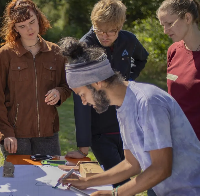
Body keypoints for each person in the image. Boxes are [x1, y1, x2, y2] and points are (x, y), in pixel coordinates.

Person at [59, 37, 200, 196]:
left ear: (97, 83)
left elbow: (161, 168)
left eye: (82, 94)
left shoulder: (148, 102)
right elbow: (131, 164)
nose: (83, 102)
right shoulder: (123, 105)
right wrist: (87, 182)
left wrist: (114, 194)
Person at [66, 0, 149, 188]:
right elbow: (81, 101)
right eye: (99, 30)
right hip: (99, 127)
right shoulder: (83, 48)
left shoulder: (129, 40)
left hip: (124, 122)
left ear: (120, 27)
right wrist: (83, 145)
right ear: (93, 24)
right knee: (121, 181)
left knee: (130, 171)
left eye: (111, 32)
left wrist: (130, 78)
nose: (104, 36)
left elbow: (141, 59)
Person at [0, 0, 71, 155]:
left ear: (38, 19)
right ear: (15, 28)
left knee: (53, 179)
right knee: (16, 178)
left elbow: (67, 86)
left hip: (48, 134)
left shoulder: (56, 52)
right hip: (16, 136)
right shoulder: (5, 54)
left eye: (32, 22)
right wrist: (6, 133)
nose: (29, 29)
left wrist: (59, 92)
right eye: (22, 26)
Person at [157, 0, 200, 140]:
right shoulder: (173, 50)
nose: (165, 30)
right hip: (175, 140)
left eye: (169, 23)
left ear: (187, 18)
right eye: (163, 25)